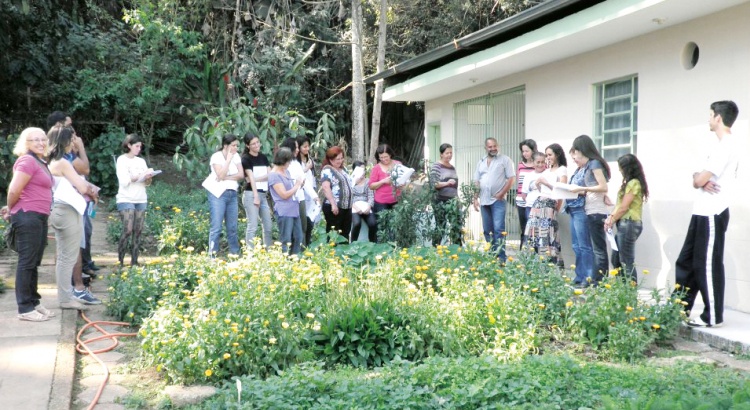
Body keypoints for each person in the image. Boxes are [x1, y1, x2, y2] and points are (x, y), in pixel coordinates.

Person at [676, 100, 739, 328]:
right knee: (685, 262)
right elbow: (698, 175)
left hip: (713, 212)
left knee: (707, 265)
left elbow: (700, 179)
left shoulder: (727, 145)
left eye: (711, 115)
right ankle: (679, 311)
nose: (709, 119)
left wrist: (699, 180)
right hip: (701, 212)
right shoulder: (717, 145)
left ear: (718, 118)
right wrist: (699, 179)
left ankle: (713, 317)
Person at [2, 128, 54, 321]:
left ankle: (34, 302)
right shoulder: (27, 161)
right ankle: (24, 308)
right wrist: (11, 208)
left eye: (43, 139)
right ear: (26, 144)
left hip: (38, 216)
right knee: (26, 262)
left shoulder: (40, 161)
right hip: (28, 216)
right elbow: (14, 189)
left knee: (34, 262)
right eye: (34, 140)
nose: (40, 143)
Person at [48, 126, 102, 307]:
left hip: (64, 210)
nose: (74, 143)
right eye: (71, 140)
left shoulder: (51, 160)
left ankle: (67, 295)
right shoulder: (62, 162)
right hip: (66, 211)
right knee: (67, 257)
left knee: (66, 256)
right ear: (63, 141)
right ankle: (65, 299)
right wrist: (92, 191)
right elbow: (82, 186)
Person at [568, 135, 611, 284]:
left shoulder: (594, 163)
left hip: (594, 210)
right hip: (586, 207)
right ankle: (588, 277)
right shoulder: (587, 166)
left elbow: (602, 185)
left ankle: (594, 279)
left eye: (577, 151)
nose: (576, 155)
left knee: (593, 248)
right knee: (586, 246)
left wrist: (582, 188)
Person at [604, 154, 648, 282]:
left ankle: (629, 294)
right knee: (616, 259)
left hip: (629, 224)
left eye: (621, 168)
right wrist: (611, 217)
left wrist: (611, 220)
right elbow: (619, 206)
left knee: (626, 261)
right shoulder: (631, 183)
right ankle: (621, 288)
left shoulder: (634, 183)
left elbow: (624, 207)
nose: (620, 170)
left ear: (628, 168)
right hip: (625, 223)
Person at [473, 137, 516, 261]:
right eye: (490, 147)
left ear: (498, 145)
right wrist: (475, 198)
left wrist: (502, 193)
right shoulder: (481, 161)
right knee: (487, 230)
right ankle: (492, 257)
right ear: (485, 148)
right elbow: (476, 181)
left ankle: (501, 258)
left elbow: (511, 178)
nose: (493, 148)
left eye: (494, 146)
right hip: (484, 200)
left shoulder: (505, 160)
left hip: (498, 200)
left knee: (499, 230)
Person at [524, 144, 568, 264]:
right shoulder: (547, 170)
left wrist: (546, 183)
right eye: (546, 155)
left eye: (549, 155)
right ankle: (534, 263)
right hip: (538, 203)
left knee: (547, 234)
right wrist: (538, 184)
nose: (547, 157)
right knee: (534, 233)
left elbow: (562, 190)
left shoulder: (562, 170)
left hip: (549, 204)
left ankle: (550, 263)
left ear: (557, 155)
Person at [115, 134, 152, 266]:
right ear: (129, 145)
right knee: (128, 229)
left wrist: (147, 177)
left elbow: (147, 183)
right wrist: (138, 176)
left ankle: (134, 262)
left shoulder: (141, 161)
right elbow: (124, 181)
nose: (138, 149)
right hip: (126, 198)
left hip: (141, 198)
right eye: (136, 146)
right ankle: (120, 260)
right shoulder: (121, 160)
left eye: (140, 146)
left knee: (138, 230)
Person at [205, 134, 244, 256]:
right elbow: (220, 175)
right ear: (225, 146)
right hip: (218, 194)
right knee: (216, 226)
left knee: (232, 226)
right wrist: (227, 160)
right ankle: (212, 254)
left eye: (237, 145)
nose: (235, 148)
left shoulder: (236, 156)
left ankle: (234, 253)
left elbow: (241, 175)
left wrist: (226, 177)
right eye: (233, 145)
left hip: (232, 193)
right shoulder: (216, 157)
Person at [281, 138, 317, 248]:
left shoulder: (296, 163)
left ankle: (301, 250)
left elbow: (304, 181)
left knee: (303, 227)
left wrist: (315, 196)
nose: (297, 150)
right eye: (295, 147)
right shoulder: (283, 165)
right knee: (290, 229)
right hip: (290, 200)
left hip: (300, 199)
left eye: (297, 147)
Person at [268, 147, 305, 254]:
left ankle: (295, 259)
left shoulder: (286, 172)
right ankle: (285, 261)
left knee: (298, 237)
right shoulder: (274, 175)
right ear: (283, 160)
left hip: (294, 208)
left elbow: (290, 188)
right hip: (284, 211)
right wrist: (297, 185)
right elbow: (284, 195)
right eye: (288, 161)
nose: (289, 163)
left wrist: (299, 184)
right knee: (286, 239)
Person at [241, 133, 273, 248]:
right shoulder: (245, 159)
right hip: (251, 194)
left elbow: (271, 174)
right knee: (253, 225)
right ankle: (250, 251)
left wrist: (254, 179)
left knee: (268, 225)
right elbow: (249, 179)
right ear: (247, 146)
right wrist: (255, 196)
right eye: (253, 144)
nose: (256, 145)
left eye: (257, 142)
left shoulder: (263, 157)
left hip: (263, 194)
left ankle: (269, 250)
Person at [430, 143, 462, 245]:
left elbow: (455, 186)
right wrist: (446, 183)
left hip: (452, 201)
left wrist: (457, 199)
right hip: (440, 200)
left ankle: (457, 248)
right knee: (441, 225)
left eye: (451, 153)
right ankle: (436, 248)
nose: (449, 155)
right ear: (441, 154)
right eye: (447, 153)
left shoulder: (452, 167)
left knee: (456, 225)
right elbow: (434, 183)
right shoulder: (436, 166)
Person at [369, 144, 401, 242]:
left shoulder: (398, 164)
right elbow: (371, 186)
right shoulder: (376, 168)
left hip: (397, 199)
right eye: (381, 157)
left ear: (390, 154)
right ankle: (382, 247)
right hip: (381, 202)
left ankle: (395, 245)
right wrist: (383, 181)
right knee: (382, 226)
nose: (384, 159)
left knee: (396, 225)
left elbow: (404, 178)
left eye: (386, 157)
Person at [320, 146, 353, 240]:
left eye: (341, 158)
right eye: (337, 159)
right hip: (335, 207)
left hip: (347, 206)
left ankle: (344, 253)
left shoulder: (344, 170)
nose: (340, 161)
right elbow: (326, 188)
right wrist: (333, 204)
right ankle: (331, 253)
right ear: (330, 159)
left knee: (345, 233)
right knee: (333, 234)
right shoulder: (327, 170)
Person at [516, 139, 537, 248]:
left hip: (533, 201)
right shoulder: (520, 165)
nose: (525, 153)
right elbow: (519, 183)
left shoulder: (538, 165)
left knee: (533, 228)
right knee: (523, 227)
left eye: (527, 151)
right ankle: (523, 251)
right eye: (523, 151)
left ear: (533, 150)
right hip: (521, 200)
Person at [297, 136, 318, 245]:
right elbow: (299, 176)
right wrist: (306, 168)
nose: (307, 149)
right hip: (301, 194)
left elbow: (313, 178)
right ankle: (303, 244)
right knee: (303, 222)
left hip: (311, 193)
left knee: (310, 221)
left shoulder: (309, 159)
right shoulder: (296, 162)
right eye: (304, 147)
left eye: (308, 146)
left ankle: (308, 243)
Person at [350, 160, 376, 242]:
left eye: (364, 170)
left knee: (373, 224)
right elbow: (348, 197)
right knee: (357, 223)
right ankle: (353, 244)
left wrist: (369, 206)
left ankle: (372, 243)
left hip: (366, 206)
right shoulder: (351, 181)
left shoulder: (368, 181)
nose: (363, 172)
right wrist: (355, 208)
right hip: (354, 206)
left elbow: (371, 196)